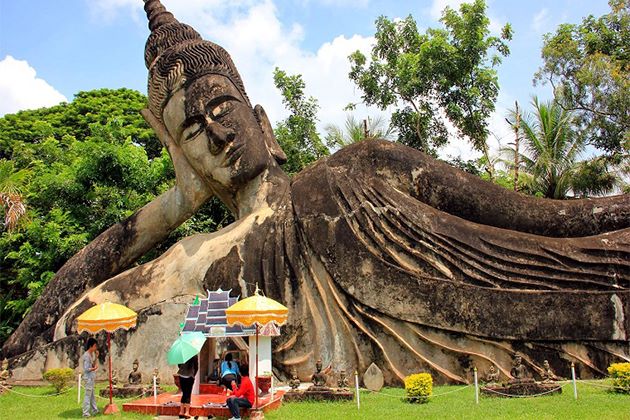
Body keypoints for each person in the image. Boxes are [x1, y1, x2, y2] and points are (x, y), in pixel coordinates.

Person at [8, 0, 628, 386]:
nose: (218, 135)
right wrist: (176, 201)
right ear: (183, 158)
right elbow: (50, 331)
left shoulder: (356, 168)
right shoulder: (198, 255)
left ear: (261, 120)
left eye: (223, 109)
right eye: (193, 134)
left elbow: (548, 220)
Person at [82, 337, 99, 417]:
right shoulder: (86, 355)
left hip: (91, 377)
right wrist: (93, 368)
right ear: (91, 346)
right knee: (88, 396)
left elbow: (93, 365)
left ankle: (95, 410)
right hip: (88, 378)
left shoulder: (90, 355)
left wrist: (96, 357)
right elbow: (86, 368)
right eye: (95, 346)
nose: (96, 348)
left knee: (92, 395)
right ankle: (85, 413)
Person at [177, 354, 198, 419]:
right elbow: (196, 367)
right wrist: (193, 375)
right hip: (189, 376)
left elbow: (179, 365)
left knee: (184, 393)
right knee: (188, 394)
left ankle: (181, 412)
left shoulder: (182, 354)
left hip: (181, 375)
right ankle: (187, 413)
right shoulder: (194, 355)